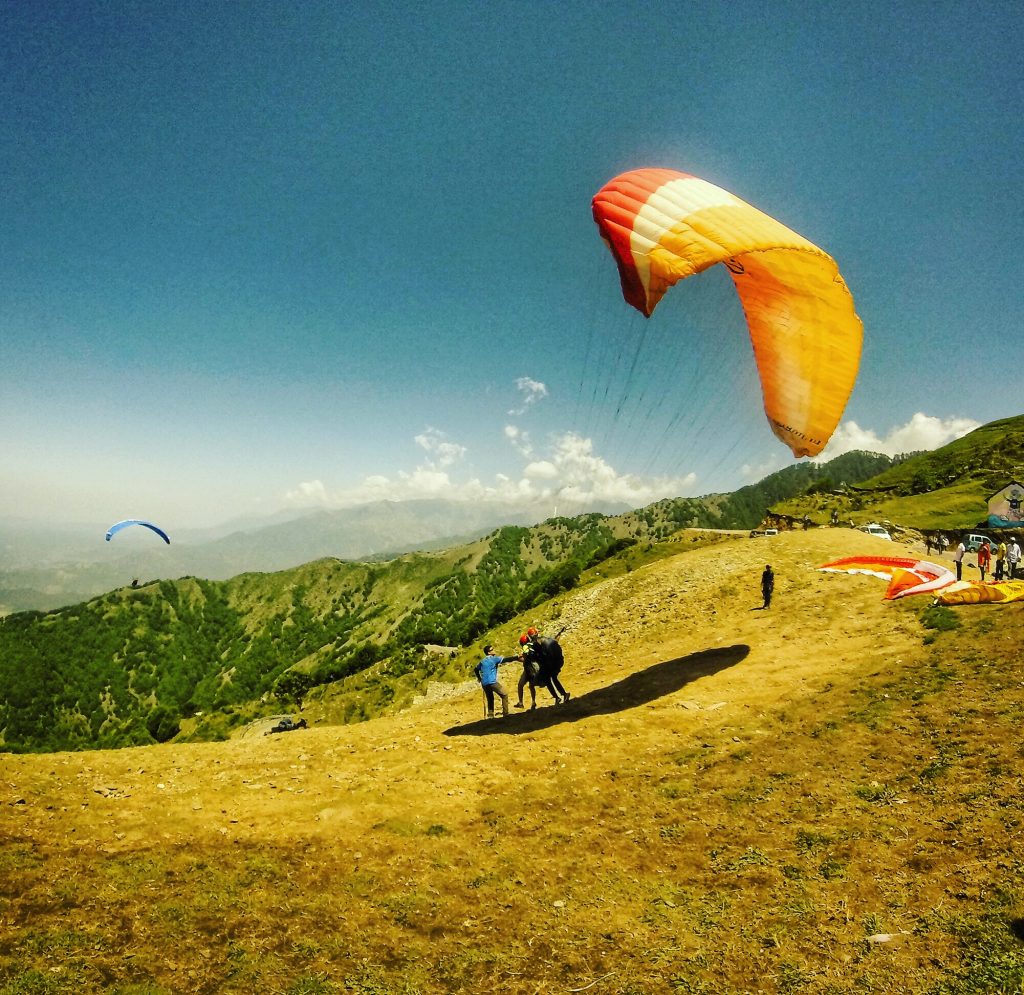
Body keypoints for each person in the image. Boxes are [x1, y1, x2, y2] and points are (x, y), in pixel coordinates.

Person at [526, 628, 570, 705]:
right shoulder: (545, 639)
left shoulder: (536, 643)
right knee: (552, 678)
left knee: (550, 679)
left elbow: (539, 656)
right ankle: (561, 696)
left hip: (552, 662)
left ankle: (560, 696)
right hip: (557, 660)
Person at [474, 644, 516, 718]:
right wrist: (516, 657)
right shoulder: (494, 659)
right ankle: (506, 714)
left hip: (484, 683)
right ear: (489, 652)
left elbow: (476, 669)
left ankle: (490, 715)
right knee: (504, 694)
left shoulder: (482, 661)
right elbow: (506, 659)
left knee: (490, 698)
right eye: (492, 649)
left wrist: (479, 678)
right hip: (492, 682)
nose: (494, 650)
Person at [514, 633, 541, 710]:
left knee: (521, 685)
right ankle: (532, 702)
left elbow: (525, 659)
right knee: (531, 686)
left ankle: (522, 702)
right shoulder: (532, 645)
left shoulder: (526, 647)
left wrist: (517, 658)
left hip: (529, 669)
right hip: (531, 669)